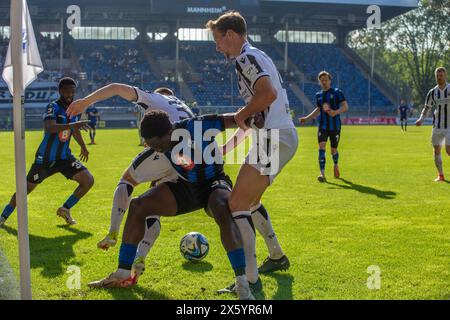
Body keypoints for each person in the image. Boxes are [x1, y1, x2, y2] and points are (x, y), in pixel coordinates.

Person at [87, 110, 257, 300]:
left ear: (168, 133)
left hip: (214, 183)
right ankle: (123, 273)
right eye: (149, 144)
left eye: (156, 144)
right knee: (138, 206)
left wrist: (253, 117)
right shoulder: (157, 147)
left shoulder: (196, 126)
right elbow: (128, 180)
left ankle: (242, 283)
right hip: (186, 187)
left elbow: (234, 119)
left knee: (221, 207)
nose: (154, 148)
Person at [207, 11, 298, 293]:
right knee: (250, 200)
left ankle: (249, 280)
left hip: (274, 137)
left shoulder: (246, 58)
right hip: (276, 136)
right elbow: (255, 114)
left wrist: (240, 114)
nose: (217, 46)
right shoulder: (255, 56)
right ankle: (276, 256)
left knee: (236, 204)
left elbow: (266, 95)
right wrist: (227, 146)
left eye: (218, 40)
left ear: (230, 35)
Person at [0, 77, 94, 227]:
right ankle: (3, 216)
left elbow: (74, 130)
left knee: (88, 180)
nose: (69, 94)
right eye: (66, 91)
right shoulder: (53, 106)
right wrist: (73, 124)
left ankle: (65, 209)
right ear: (60, 91)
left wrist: (83, 146)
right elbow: (49, 127)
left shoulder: (74, 109)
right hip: (45, 160)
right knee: (25, 190)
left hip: (64, 158)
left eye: (72, 91)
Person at [299, 71, 349, 182]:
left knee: (333, 150)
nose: (324, 82)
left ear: (330, 80)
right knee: (321, 147)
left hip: (335, 126)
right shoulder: (319, 95)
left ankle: (336, 164)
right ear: (319, 82)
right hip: (323, 126)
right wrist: (306, 118)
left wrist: (335, 112)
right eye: (322, 80)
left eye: (326, 80)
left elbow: (345, 106)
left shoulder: (337, 92)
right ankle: (322, 174)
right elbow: (318, 109)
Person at [416, 67, 450, 182]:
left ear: (445, 76)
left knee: (449, 150)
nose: (439, 78)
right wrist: (421, 119)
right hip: (437, 126)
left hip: (449, 126)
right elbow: (427, 108)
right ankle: (441, 175)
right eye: (437, 76)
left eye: (441, 75)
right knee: (436, 150)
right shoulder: (432, 92)